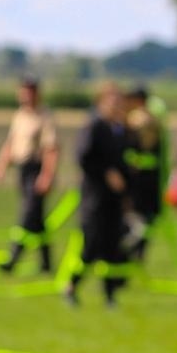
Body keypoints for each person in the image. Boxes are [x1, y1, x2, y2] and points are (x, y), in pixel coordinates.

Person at [63, 81, 130, 307]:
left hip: (114, 200)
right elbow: (83, 157)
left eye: (119, 101)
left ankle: (110, 297)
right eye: (112, 100)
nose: (117, 105)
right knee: (91, 246)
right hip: (94, 199)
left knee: (112, 248)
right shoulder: (94, 126)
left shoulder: (119, 130)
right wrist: (106, 173)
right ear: (101, 102)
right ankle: (71, 286)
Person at [0, 75, 59, 274]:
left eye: (30, 91)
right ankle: (46, 263)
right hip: (22, 170)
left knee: (28, 213)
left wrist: (47, 175)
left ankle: (13, 257)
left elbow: (51, 148)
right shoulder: (20, 115)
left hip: (36, 170)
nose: (26, 95)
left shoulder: (44, 116)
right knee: (37, 220)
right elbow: (11, 143)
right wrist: (1, 165)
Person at [121, 85, 166, 262]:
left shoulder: (137, 119)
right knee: (147, 218)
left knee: (136, 216)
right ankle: (138, 252)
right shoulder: (154, 119)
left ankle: (131, 250)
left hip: (138, 179)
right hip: (151, 178)